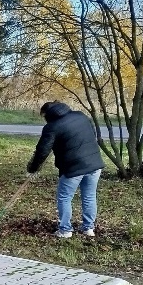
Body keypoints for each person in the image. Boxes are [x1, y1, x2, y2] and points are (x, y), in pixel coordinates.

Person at [27, 101, 105, 239]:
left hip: (73, 168)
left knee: (64, 197)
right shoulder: (81, 116)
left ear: (47, 114)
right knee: (89, 196)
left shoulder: (52, 127)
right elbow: (91, 134)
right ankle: (88, 228)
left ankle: (65, 230)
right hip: (94, 164)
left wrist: (33, 168)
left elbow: (42, 151)